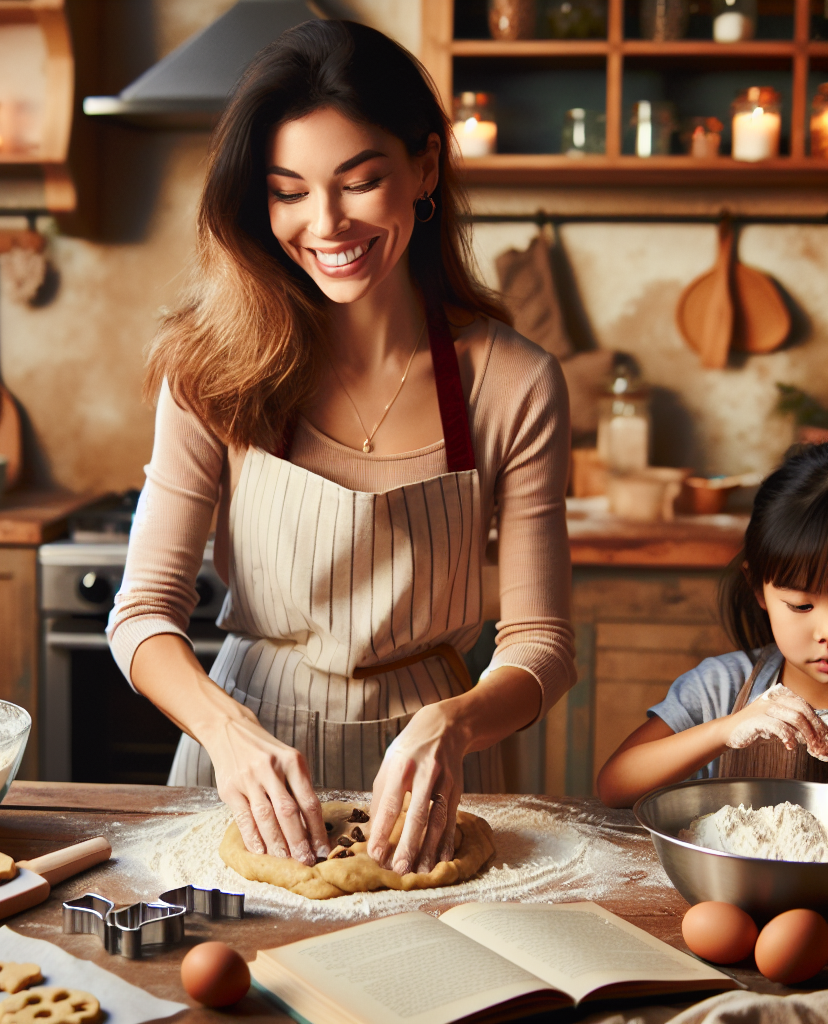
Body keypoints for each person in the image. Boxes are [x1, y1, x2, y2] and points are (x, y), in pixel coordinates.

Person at [108, 20, 575, 875]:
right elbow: (140, 615)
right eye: (288, 191)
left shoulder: (514, 383)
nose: (326, 223)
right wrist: (228, 732)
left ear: (426, 167)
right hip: (246, 759)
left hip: (439, 768)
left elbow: (542, 641)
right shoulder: (213, 367)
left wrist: (457, 721)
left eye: (360, 182)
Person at [597, 443, 828, 809]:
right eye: (801, 605)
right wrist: (724, 730)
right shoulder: (721, 689)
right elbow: (614, 785)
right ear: (758, 589)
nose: (825, 630)